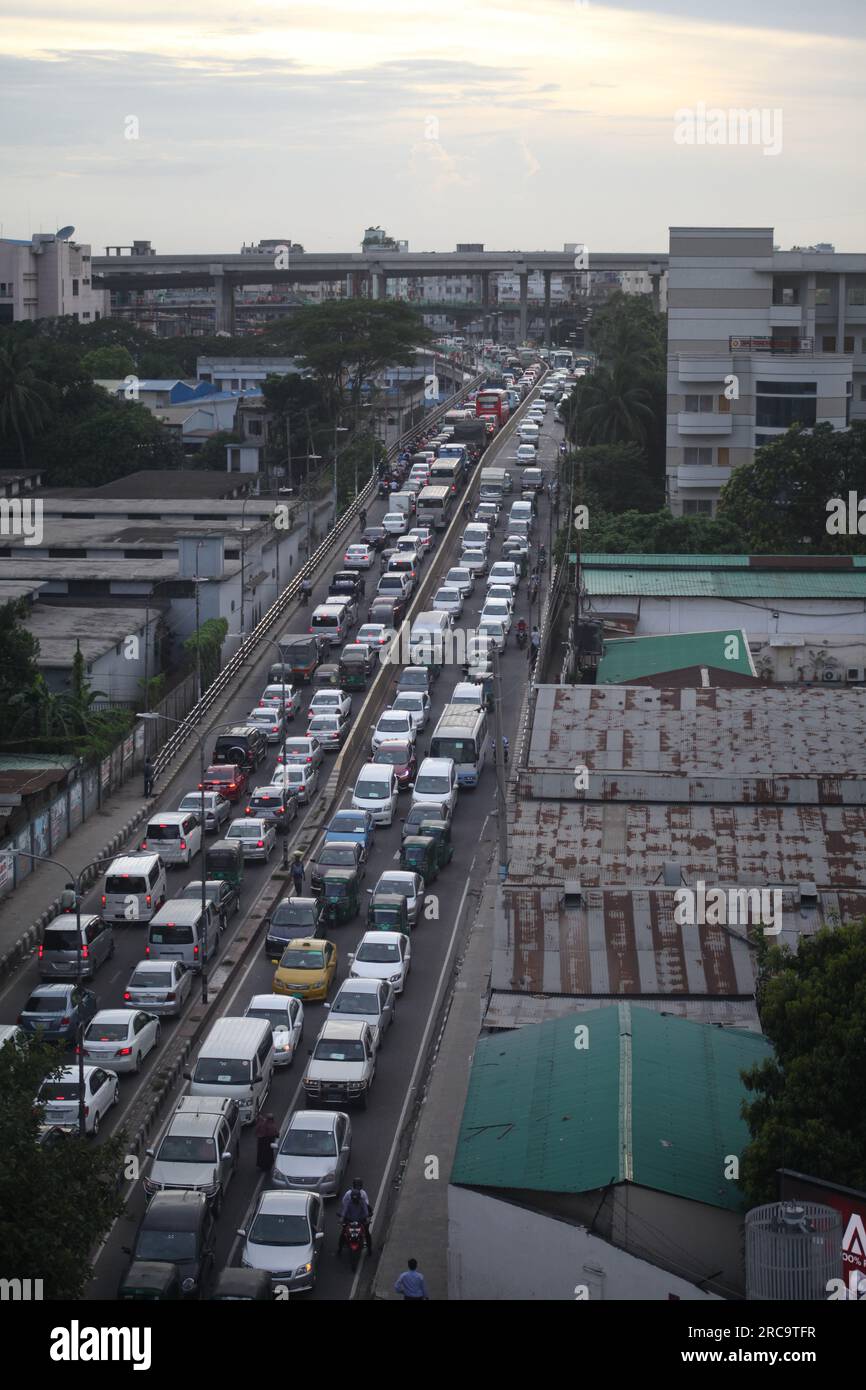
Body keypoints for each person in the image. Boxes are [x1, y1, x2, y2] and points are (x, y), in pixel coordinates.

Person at [337, 1179, 373, 1253]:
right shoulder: (348, 1197)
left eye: (360, 1186)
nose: (359, 1187)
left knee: (366, 1233)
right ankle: (339, 1249)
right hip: (350, 1218)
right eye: (357, 1186)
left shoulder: (363, 1197)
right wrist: (342, 1217)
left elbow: (366, 1207)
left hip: (361, 1218)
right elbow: (345, 1206)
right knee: (343, 1233)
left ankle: (369, 1249)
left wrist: (367, 1217)